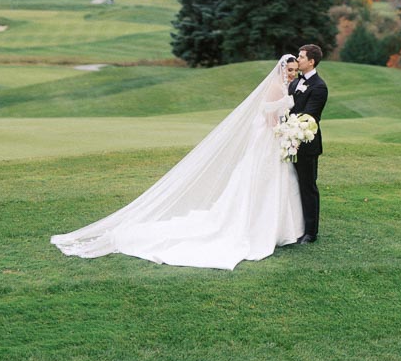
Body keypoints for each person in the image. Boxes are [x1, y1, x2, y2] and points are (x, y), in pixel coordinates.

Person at [50, 55, 304, 270]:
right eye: (289, 70)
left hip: (274, 142)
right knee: (261, 182)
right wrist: (285, 131)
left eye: (294, 70)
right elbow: (269, 118)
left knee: (274, 183)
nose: (292, 74)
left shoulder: (285, 87)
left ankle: (279, 229)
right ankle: (260, 229)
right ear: (282, 69)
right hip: (268, 141)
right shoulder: (274, 87)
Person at [288, 44, 328, 242]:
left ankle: (311, 232)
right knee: (291, 184)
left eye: (301, 57)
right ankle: (294, 226)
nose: (298, 59)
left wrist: (288, 122)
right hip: (288, 142)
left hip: (307, 145)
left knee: (307, 186)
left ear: (311, 61)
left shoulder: (319, 87)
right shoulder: (294, 83)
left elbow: (309, 116)